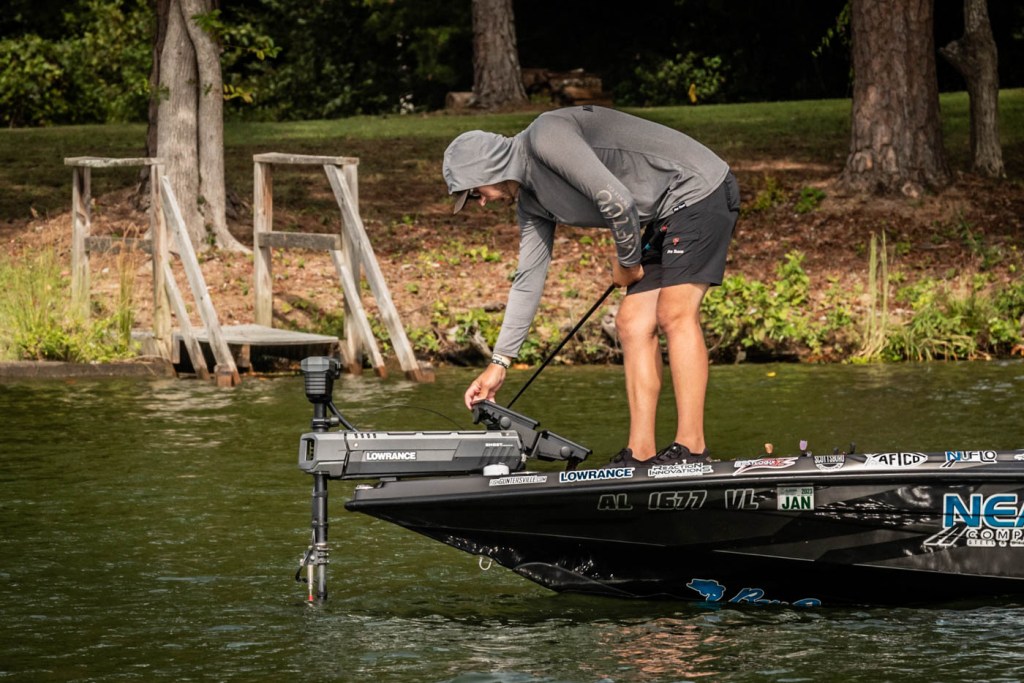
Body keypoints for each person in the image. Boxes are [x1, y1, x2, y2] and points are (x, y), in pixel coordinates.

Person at [442, 105, 739, 467]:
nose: (481, 202)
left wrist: (628, 264)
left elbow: (616, 200)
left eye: (475, 193)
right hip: (665, 212)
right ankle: (640, 454)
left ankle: (691, 448)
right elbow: (527, 280)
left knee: (674, 312)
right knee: (631, 322)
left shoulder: (546, 135)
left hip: (698, 190)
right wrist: (499, 362)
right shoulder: (532, 204)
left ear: (486, 168)